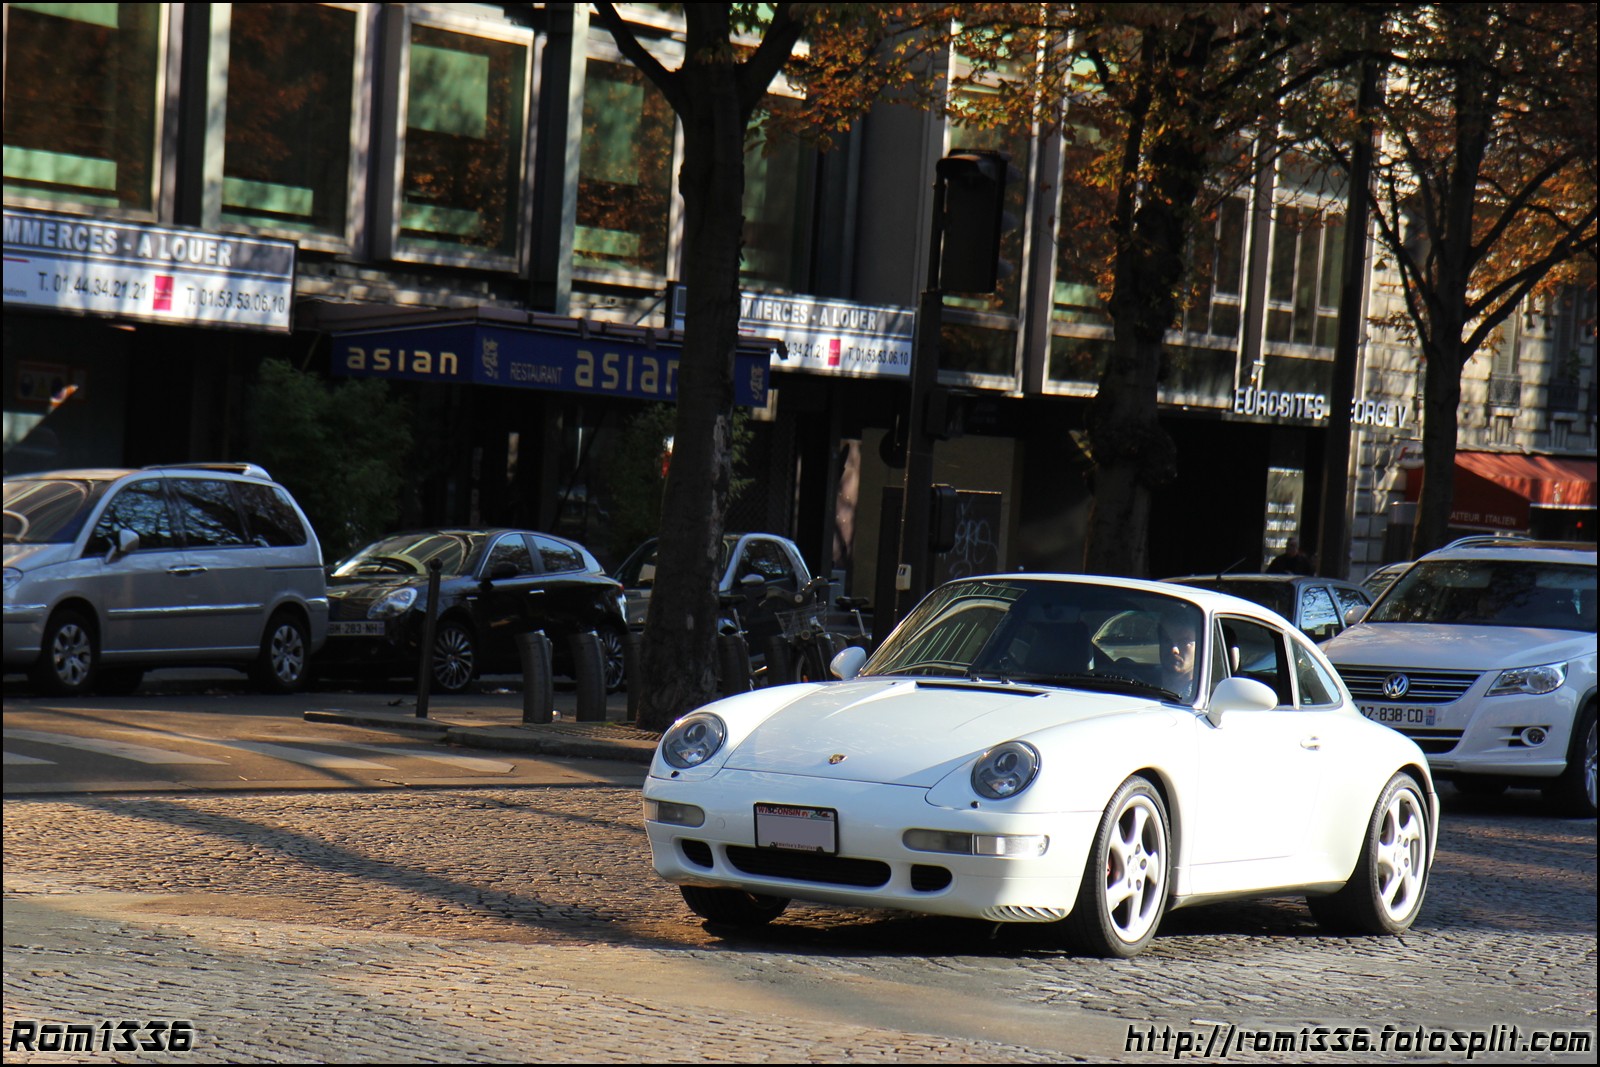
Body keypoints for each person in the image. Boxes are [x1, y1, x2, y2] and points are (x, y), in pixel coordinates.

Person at [1157, 616, 1200, 703]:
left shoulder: (1209, 696)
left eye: (1184, 641)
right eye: (1167, 640)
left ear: (1199, 646)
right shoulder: (1139, 685)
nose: (1174, 649)